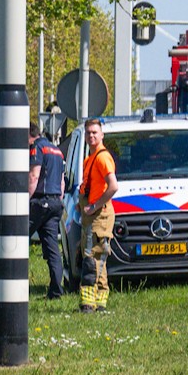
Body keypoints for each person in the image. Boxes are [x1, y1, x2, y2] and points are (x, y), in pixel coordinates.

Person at [0, 119, 67, 298]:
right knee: (52, 249)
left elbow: (33, 177)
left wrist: (23, 203)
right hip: (54, 204)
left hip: (39, 202)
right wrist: (57, 201)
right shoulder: (57, 150)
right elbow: (62, 182)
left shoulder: (37, 148)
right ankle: (56, 291)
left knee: (11, 239)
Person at [77, 117, 117, 313]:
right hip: (91, 216)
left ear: (102, 135)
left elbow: (113, 186)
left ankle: (89, 305)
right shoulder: (89, 159)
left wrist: (94, 206)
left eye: (95, 132)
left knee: (92, 259)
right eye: (88, 132)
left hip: (99, 216)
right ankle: (98, 304)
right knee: (96, 258)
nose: (91, 136)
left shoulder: (102, 157)